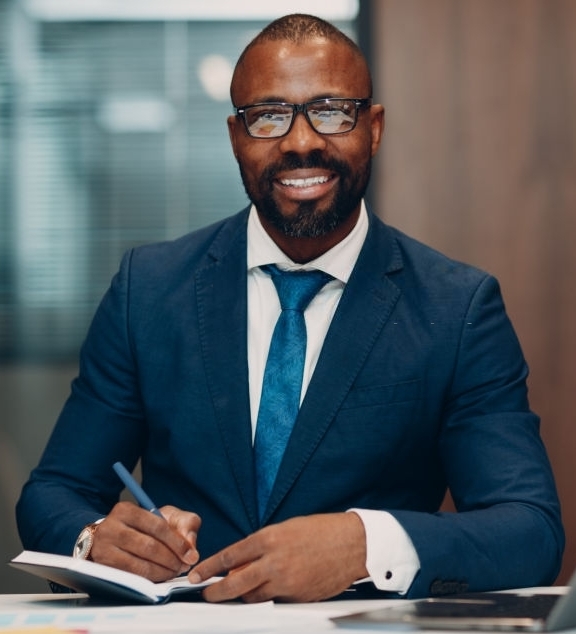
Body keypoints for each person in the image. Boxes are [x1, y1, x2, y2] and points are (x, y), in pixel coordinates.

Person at [16, 13, 563, 603]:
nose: (301, 141)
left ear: (373, 128)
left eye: (331, 110)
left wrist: (363, 543)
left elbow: (529, 530)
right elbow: (55, 492)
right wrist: (93, 538)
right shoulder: (147, 290)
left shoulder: (456, 308)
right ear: (235, 137)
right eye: (269, 116)